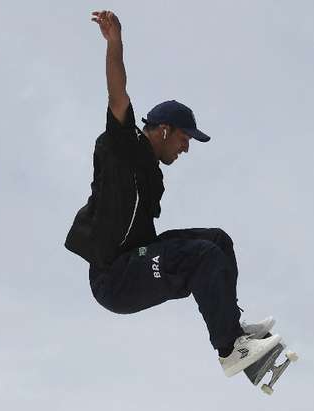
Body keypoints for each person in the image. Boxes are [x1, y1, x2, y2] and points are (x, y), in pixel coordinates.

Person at [65, 11, 279, 376]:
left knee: (218, 242)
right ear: (163, 130)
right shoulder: (124, 144)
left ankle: (234, 332)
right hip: (114, 279)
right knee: (201, 256)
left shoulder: (153, 176)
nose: (186, 148)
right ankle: (230, 349)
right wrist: (115, 42)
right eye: (184, 139)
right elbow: (118, 94)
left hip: (136, 258)